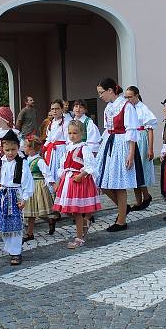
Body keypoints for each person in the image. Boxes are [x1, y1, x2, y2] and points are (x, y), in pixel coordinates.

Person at [0, 130, 34, 266]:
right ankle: (10, 248)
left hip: (16, 194)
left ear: (18, 148)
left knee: (15, 224)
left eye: (13, 149)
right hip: (3, 194)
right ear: (3, 149)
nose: (10, 153)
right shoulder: (0, 161)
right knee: (3, 222)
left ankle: (16, 252)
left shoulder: (22, 162)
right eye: (7, 150)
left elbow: (27, 181)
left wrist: (25, 198)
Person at [95, 78, 138, 232]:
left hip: (122, 145)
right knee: (102, 181)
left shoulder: (126, 106)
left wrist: (131, 154)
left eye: (101, 93)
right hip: (109, 143)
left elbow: (131, 130)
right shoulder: (109, 107)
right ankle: (123, 207)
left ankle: (121, 221)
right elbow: (107, 129)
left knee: (118, 184)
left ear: (110, 91)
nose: (100, 96)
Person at [52, 120, 102, 249]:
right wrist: (58, 181)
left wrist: (81, 175)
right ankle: (85, 224)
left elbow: (90, 165)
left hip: (79, 181)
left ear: (82, 133)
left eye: (75, 133)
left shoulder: (84, 148)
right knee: (69, 210)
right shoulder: (68, 148)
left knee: (77, 211)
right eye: (70, 133)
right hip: (68, 181)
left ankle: (79, 237)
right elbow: (63, 166)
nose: (72, 135)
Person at [125, 86, 157, 212]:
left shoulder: (143, 109)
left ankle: (146, 196)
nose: (128, 99)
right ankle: (138, 201)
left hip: (141, 139)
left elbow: (150, 130)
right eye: (126, 97)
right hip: (132, 139)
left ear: (137, 95)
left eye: (130, 96)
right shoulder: (127, 109)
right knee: (133, 170)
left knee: (141, 169)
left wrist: (150, 148)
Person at [21, 135, 55, 241]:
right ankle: (48, 221)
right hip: (29, 186)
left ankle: (30, 233)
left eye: (25, 146)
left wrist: (52, 185)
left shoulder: (39, 161)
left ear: (31, 148)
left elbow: (47, 174)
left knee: (35, 211)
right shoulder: (26, 160)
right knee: (31, 211)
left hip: (37, 186)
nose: (23, 148)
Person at [42, 99, 69, 226]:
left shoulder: (67, 122)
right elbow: (48, 138)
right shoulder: (51, 123)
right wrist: (44, 148)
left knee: (61, 179)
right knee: (51, 179)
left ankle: (66, 207)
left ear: (62, 109)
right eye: (52, 109)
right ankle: (57, 209)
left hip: (61, 152)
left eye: (57, 109)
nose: (54, 111)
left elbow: (69, 140)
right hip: (52, 152)